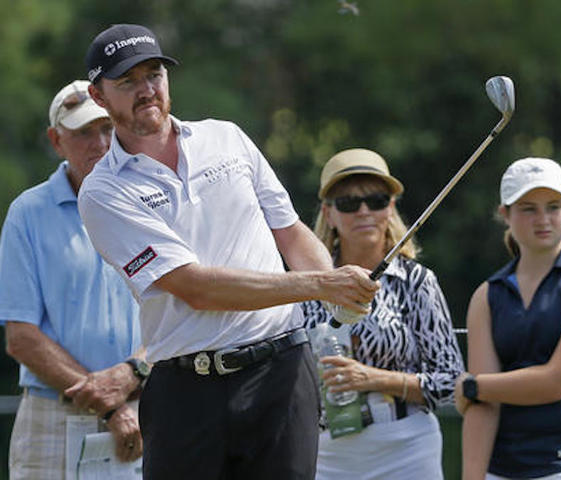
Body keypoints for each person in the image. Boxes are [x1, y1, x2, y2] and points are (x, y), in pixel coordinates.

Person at [75, 24, 379, 479]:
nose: (147, 90)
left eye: (154, 74)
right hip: (186, 392)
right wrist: (321, 284)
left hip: (282, 374)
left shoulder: (228, 138)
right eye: (127, 82)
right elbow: (195, 287)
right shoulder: (102, 192)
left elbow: (290, 233)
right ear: (99, 97)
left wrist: (340, 294)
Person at [0, 80, 145, 479]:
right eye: (83, 132)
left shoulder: (150, 201)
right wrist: (109, 403)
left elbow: (179, 308)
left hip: (143, 407)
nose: (99, 143)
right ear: (56, 140)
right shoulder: (27, 213)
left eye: (106, 129)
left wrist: (133, 374)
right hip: (54, 413)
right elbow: (21, 336)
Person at [455, 157, 561, 480]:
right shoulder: (487, 296)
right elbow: (482, 407)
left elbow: (556, 382)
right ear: (505, 214)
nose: (543, 219)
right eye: (528, 208)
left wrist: (474, 386)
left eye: (553, 206)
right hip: (502, 468)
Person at [301, 148, 464, 479]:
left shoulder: (418, 282)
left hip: (408, 447)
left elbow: (450, 382)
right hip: (326, 453)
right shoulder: (305, 284)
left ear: (390, 208)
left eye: (375, 200)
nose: (364, 211)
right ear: (328, 214)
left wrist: (372, 378)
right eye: (348, 203)